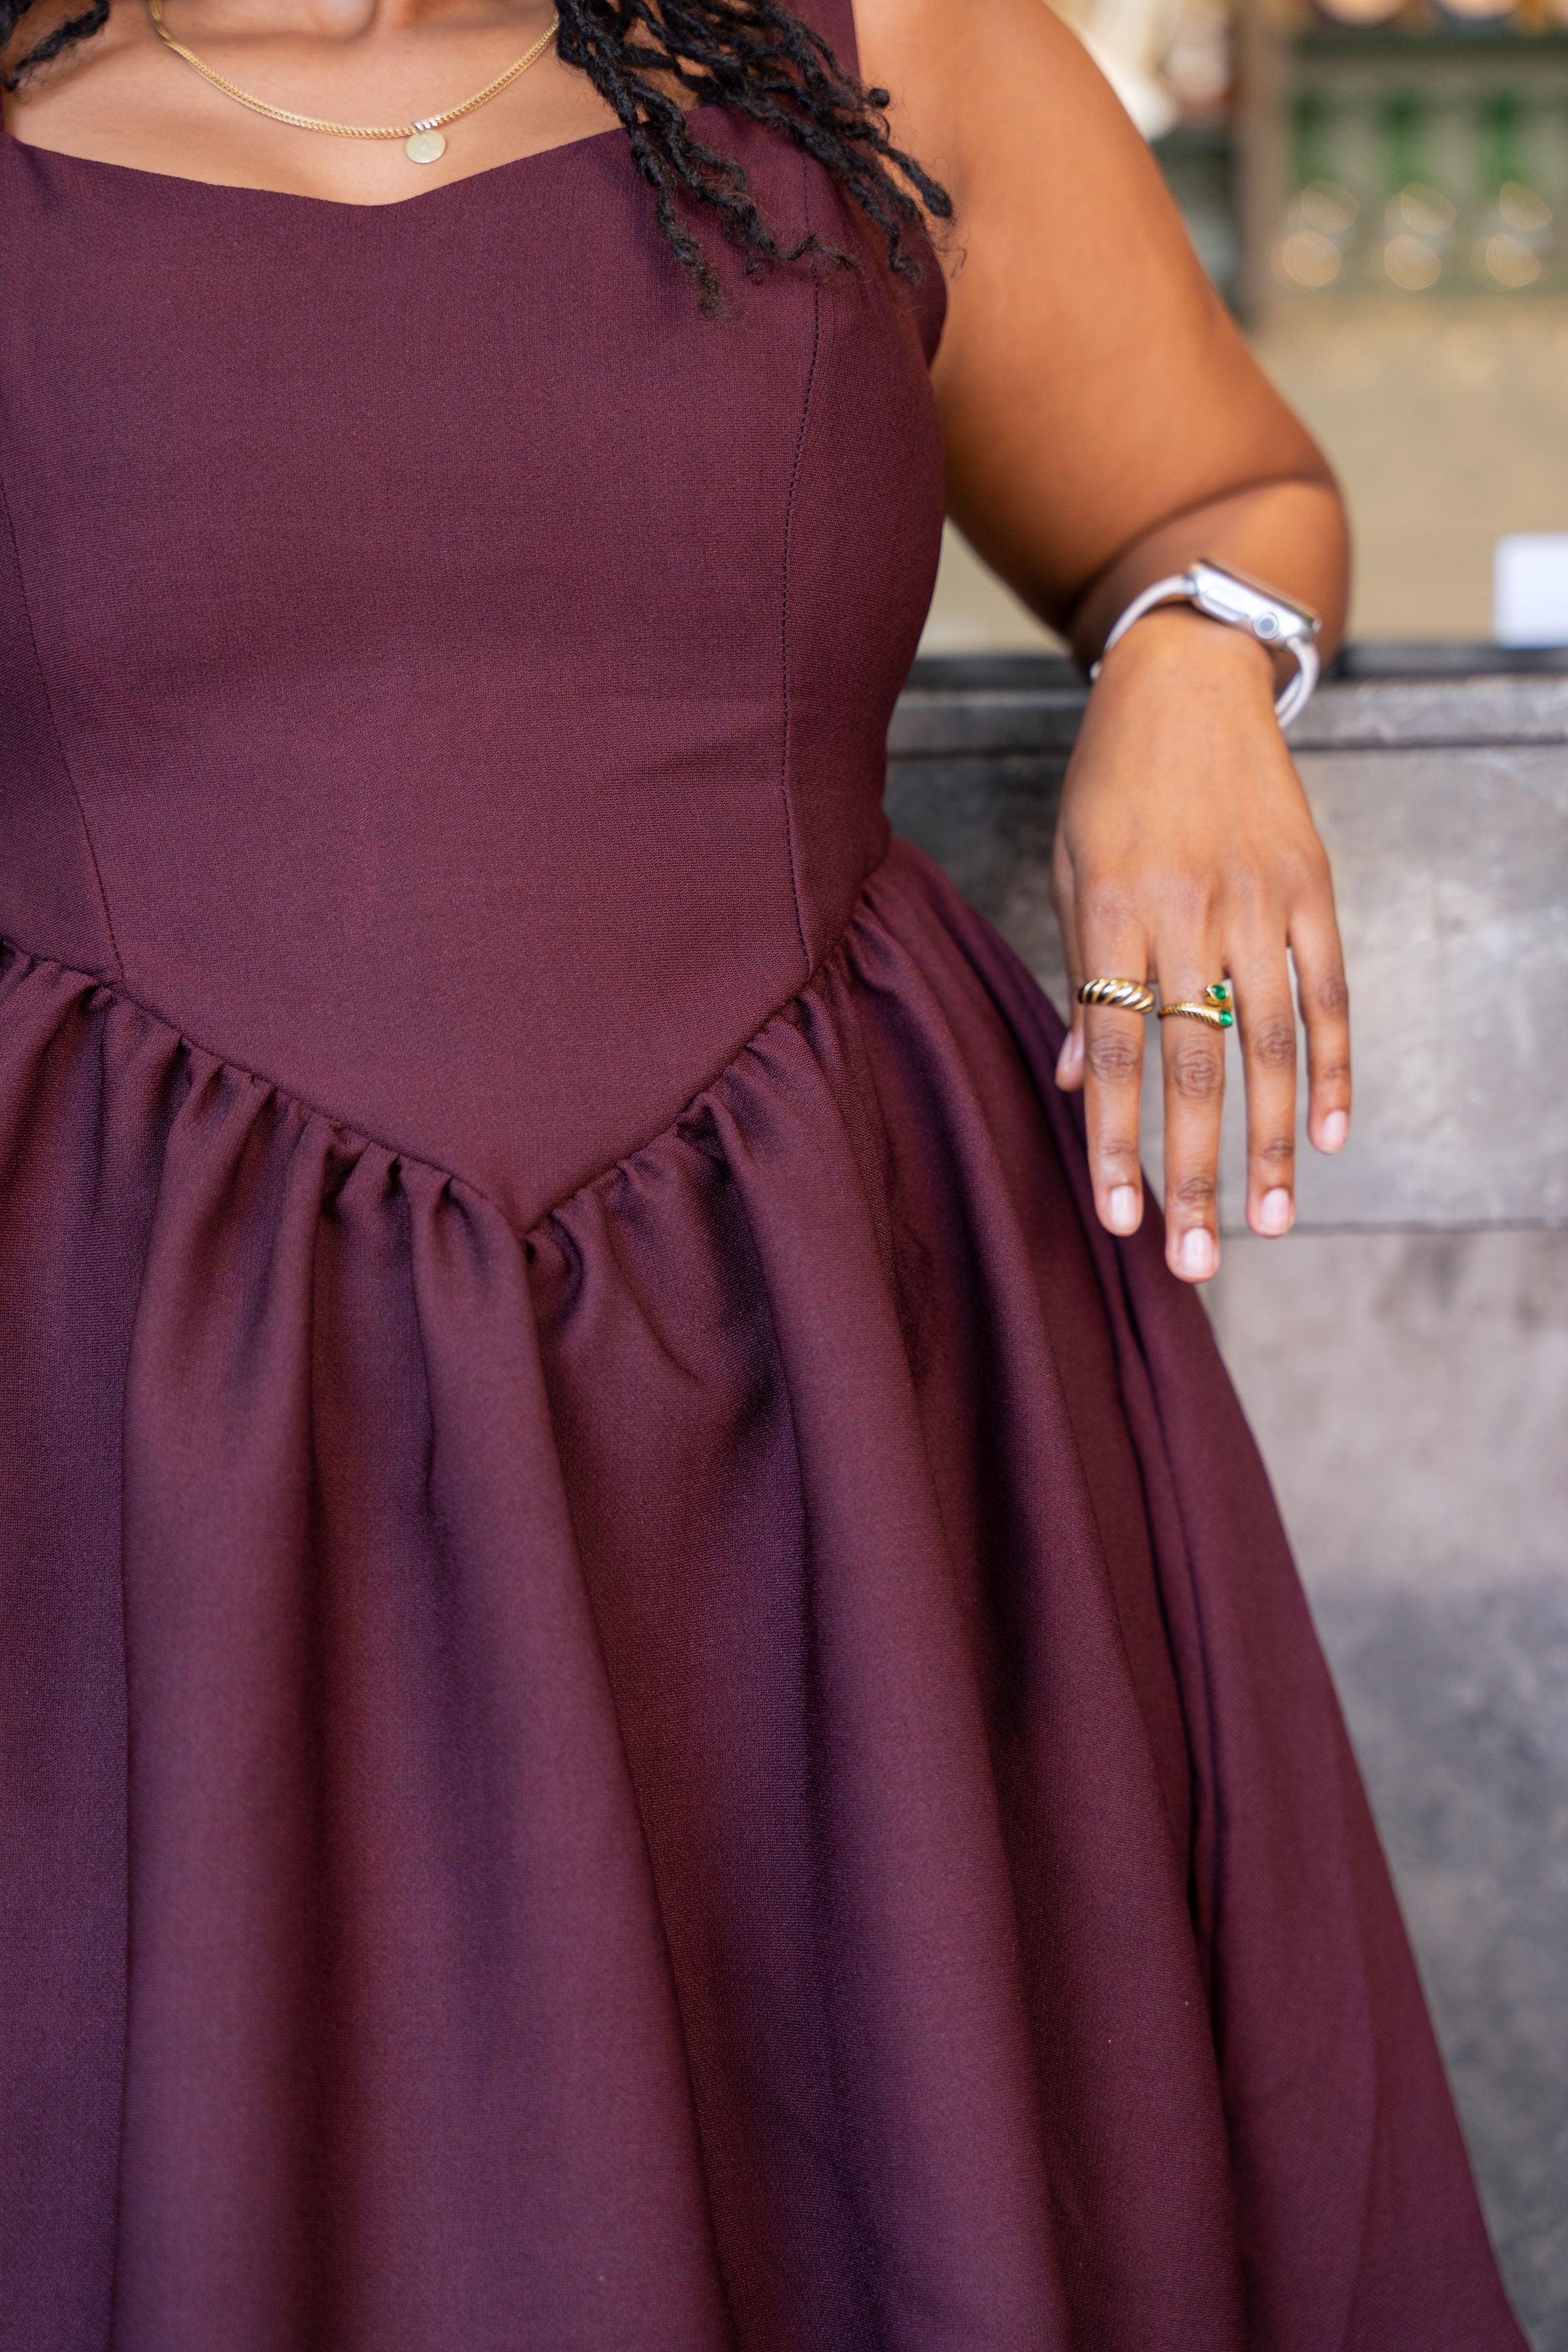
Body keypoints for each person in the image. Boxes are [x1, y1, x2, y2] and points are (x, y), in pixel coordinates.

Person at [0, 0, 1524, 2337]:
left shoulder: (874, 36)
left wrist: (1198, 669)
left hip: (829, 1395)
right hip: (145, 1431)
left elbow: (1210, 498)